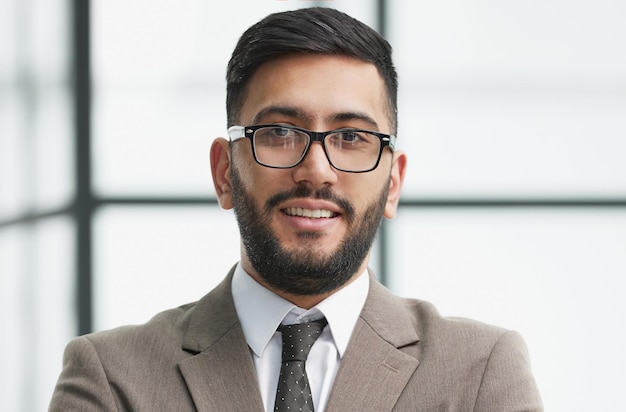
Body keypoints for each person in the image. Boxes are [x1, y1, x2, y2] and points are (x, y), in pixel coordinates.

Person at [49, 7, 542, 411]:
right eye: (280, 133)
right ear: (225, 172)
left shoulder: (481, 372)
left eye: (352, 137)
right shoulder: (112, 377)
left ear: (393, 183)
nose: (317, 171)